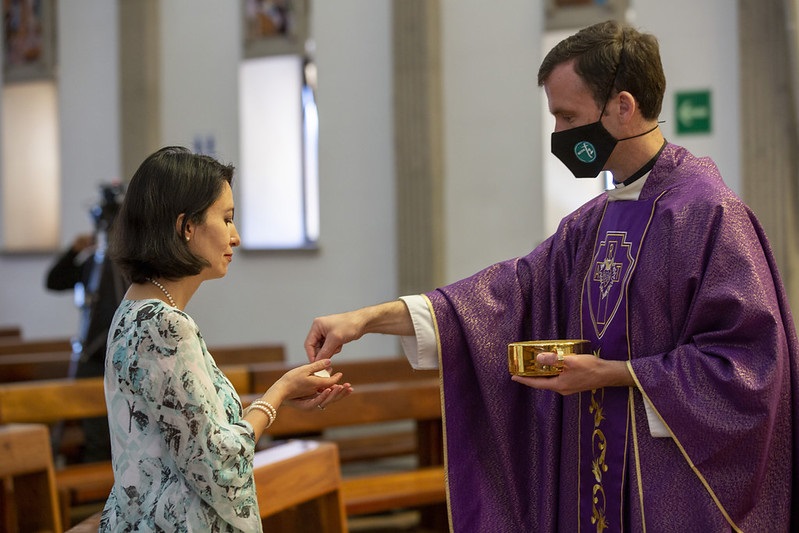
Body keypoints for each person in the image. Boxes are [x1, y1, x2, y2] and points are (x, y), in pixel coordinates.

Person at [305, 20, 799, 532]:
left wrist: (612, 374)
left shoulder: (708, 213)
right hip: (596, 480)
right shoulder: (593, 223)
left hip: (669, 493)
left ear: (623, 107)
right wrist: (364, 319)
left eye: (568, 116)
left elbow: (752, 365)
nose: (560, 136)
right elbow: (499, 298)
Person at [101, 146, 352, 532]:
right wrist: (279, 394)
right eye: (227, 219)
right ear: (186, 226)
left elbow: (189, 430)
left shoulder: (135, 310)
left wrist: (279, 399)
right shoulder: (165, 326)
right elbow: (219, 465)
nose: (235, 237)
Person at [45, 183, 127, 463]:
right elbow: (53, 281)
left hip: (124, 358)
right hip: (92, 357)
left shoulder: (133, 262)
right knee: (96, 438)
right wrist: (73, 250)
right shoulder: (92, 262)